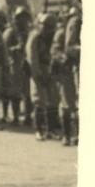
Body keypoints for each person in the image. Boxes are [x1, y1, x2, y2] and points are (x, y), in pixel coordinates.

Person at [26, 12, 59, 141]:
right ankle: (39, 130)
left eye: (51, 26)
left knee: (53, 100)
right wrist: (37, 74)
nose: (48, 29)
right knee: (39, 101)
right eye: (46, 26)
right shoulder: (35, 37)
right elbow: (32, 58)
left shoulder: (52, 37)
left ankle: (51, 129)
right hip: (38, 70)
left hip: (51, 70)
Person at [51, 6, 80, 146]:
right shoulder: (60, 34)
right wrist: (65, 58)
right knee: (67, 105)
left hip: (75, 69)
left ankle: (78, 135)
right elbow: (56, 52)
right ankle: (67, 135)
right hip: (65, 72)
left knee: (77, 106)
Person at [2, 6, 31, 125]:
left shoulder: (28, 31)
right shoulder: (10, 32)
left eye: (25, 18)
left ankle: (28, 117)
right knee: (15, 92)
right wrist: (15, 49)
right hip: (14, 64)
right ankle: (15, 116)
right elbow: (4, 49)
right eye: (22, 18)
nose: (24, 21)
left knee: (27, 92)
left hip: (26, 64)